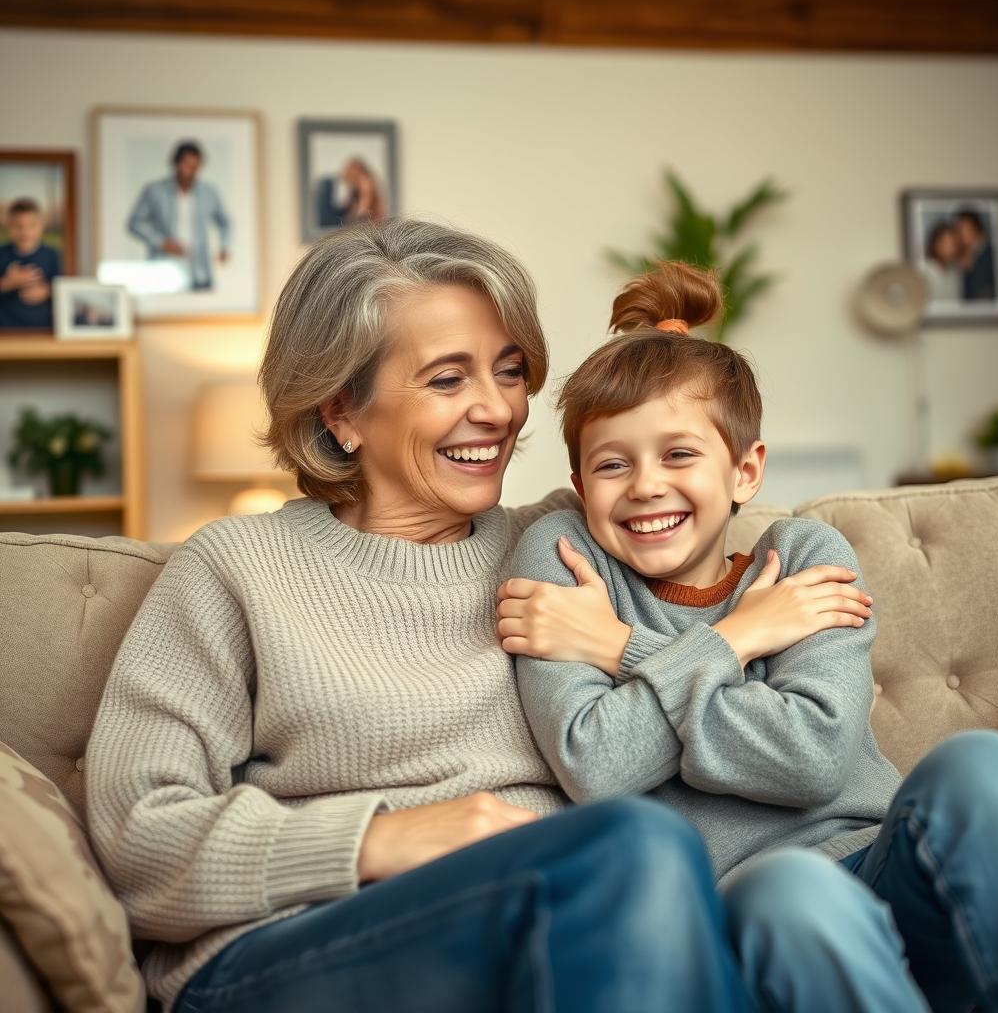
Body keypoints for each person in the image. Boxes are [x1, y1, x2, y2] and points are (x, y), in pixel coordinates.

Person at [85, 221, 754, 1013]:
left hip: (557, 930)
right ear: (342, 411)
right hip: (298, 948)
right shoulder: (237, 569)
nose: (498, 409)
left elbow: (712, 534)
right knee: (637, 849)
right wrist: (377, 839)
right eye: (447, 380)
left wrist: (751, 625)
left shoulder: (573, 543)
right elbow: (137, 837)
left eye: (510, 372)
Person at [500, 261, 998, 1013]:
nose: (646, 484)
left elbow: (813, 758)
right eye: (612, 464)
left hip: (884, 863)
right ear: (582, 488)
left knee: (981, 764)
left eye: (680, 454)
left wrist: (624, 652)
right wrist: (738, 641)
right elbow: (598, 763)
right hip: (751, 905)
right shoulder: (566, 560)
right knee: (794, 890)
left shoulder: (806, 557)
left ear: (744, 471)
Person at [126, 140, 230, 291]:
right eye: (187, 165)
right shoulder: (154, 190)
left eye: (196, 167)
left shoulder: (209, 192)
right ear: (176, 163)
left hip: (198, 270)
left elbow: (225, 222)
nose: (191, 171)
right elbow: (135, 223)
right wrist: (162, 242)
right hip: (163, 269)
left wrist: (224, 246)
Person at [0, 197, 61, 327]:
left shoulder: (52, 255)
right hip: (5, 330)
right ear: (8, 226)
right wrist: (7, 283)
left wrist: (46, 292)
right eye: (17, 225)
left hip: (42, 329)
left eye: (32, 225)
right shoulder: (1, 254)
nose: (24, 231)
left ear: (41, 226)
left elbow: (62, 288)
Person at [314, 156, 387, 229]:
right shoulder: (356, 186)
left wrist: (353, 219)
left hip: (373, 225)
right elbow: (352, 208)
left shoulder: (365, 183)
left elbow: (363, 211)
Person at [955, 208, 997, 300]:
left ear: (976, 227)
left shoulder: (992, 255)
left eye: (961, 228)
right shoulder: (967, 256)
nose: (958, 234)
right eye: (957, 229)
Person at [920, 219, 961, 302]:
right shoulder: (924, 269)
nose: (951, 249)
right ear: (935, 244)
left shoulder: (956, 271)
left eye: (954, 244)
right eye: (947, 243)